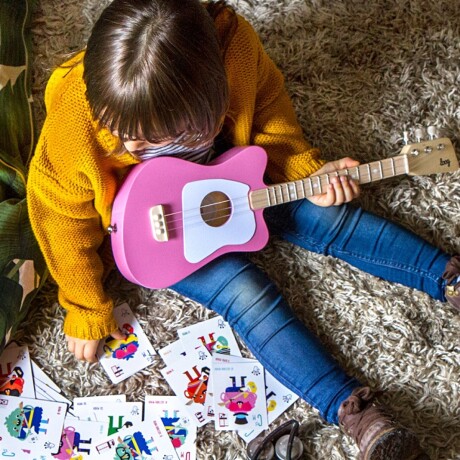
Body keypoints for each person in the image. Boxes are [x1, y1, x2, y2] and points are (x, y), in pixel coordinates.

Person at [27, 0, 459, 459]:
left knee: (328, 218)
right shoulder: (77, 116)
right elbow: (59, 216)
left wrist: (304, 170)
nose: (133, 147)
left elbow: (272, 116)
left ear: (215, 96)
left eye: (158, 137)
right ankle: (357, 415)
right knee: (249, 297)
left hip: (234, 181)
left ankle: (448, 276)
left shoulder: (236, 49)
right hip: (160, 235)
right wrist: (84, 303)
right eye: (123, 136)